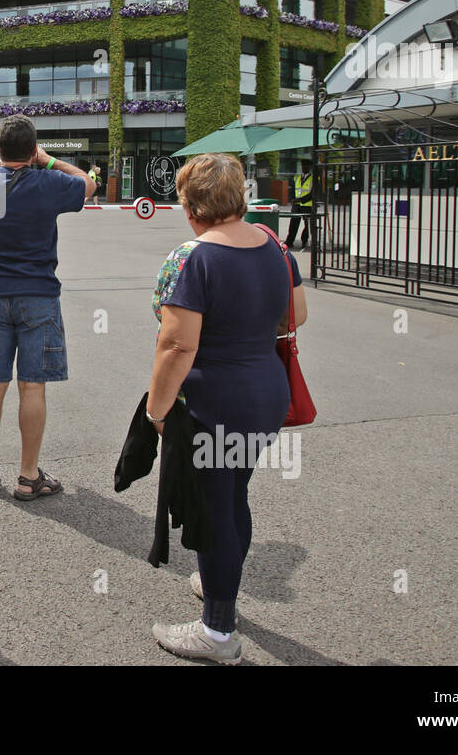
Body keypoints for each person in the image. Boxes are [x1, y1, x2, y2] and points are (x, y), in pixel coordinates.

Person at [145, 152, 307, 664]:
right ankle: (220, 581)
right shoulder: (276, 248)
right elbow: (295, 315)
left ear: (190, 205)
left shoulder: (190, 258)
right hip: (264, 394)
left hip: (213, 401)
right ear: (239, 197)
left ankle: (218, 631)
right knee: (233, 494)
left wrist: (156, 409)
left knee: (215, 508)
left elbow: (176, 346)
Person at [0, 115, 94, 500]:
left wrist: (1, 164)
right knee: (32, 386)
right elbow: (89, 185)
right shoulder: (49, 181)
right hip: (38, 295)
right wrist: (49, 160)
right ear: (34, 150)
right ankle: (27, 476)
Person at [285, 159, 313, 249]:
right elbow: (292, 190)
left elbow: (312, 194)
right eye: (303, 166)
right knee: (293, 224)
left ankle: (304, 241)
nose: (304, 168)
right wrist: (292, 199)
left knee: (307, 225)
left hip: (307, 205)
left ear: (309, 167)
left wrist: (300, 200)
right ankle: (289, 241)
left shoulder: (313, 179)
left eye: (306, 166)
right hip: (296, 205)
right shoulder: (297, 177)